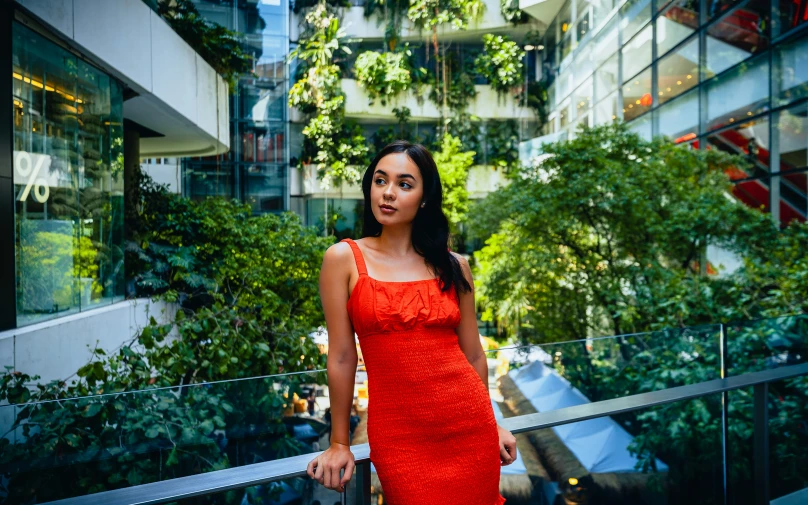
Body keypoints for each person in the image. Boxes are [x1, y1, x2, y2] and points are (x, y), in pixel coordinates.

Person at [306, 141, 517, 504]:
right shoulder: (343, 258)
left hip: (470, 427)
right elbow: (342, 357)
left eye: (404, 184)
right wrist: (339, 443)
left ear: (423, 199)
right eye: (380, 180)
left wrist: (493, 422)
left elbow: (473, 355)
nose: (388, 193)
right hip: (400, 437)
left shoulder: (454, 265)